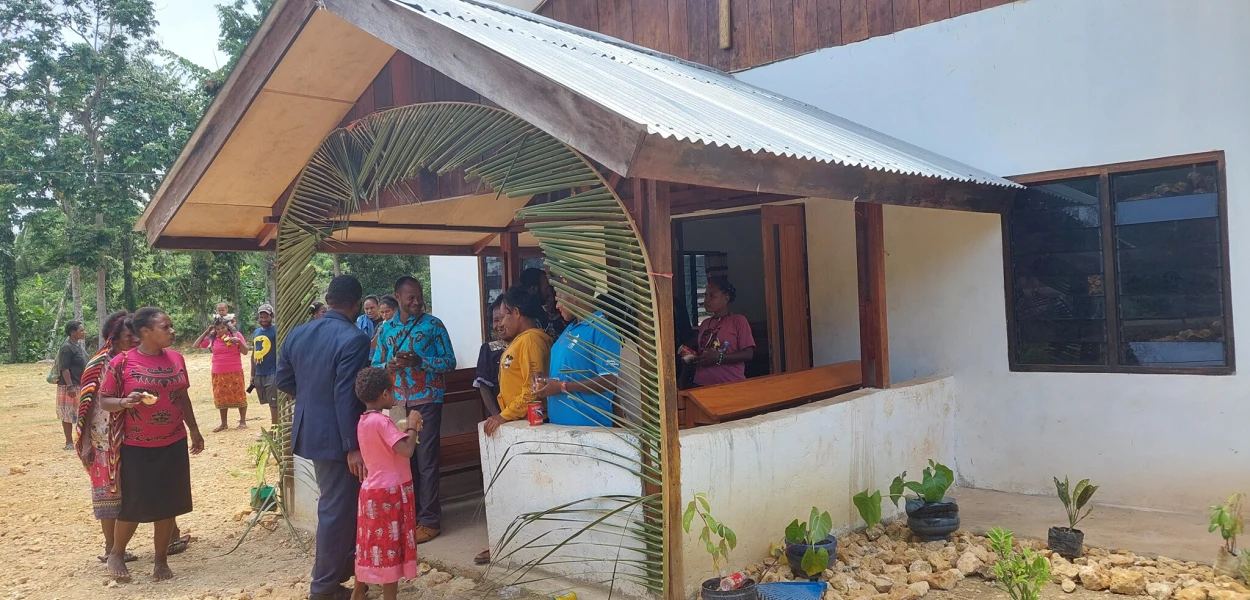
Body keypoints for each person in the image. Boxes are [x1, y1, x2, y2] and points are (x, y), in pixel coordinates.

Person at [277, 275, 372, 600]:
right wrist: (353, 448)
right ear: (356, 303)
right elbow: (347, 395)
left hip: (311, 429)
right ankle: (325, 588)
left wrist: (311, 400)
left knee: (342, 506)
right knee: (335, 509)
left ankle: (344, 572)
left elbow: (283, 378)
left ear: (328, 299)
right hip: (339, 438)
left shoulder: (299, 333)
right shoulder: (354, 338)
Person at [99, 307, 204, 582]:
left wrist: (193, 430)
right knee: (134, 503)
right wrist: (124, 402)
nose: (172, 332)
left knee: (169, 502)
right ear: (145, 332)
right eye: (166, 327)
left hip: (173, 441)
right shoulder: (122, 362)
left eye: (171, 327)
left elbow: (182, 397)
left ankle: (160, 561)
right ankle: (117, 553)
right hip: (136, 445)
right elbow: (104, 400)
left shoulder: (177, 359)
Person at [371, 276, 456, 544]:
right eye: (411, 298)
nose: (417, 302)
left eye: (419, 296)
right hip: (397, 403)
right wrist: (389, 367)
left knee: (426, 460)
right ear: (398, 297)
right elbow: (375, 365)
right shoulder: (385, 330)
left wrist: (422, 361)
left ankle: (430, 520)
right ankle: (410, 517)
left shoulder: (434, 326)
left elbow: (450, 362)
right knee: (403, 461)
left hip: (427, 399)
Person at [351, 367, 421, 600]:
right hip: (390, 493)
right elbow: (407, 450)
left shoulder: (363, 421)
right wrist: (412, 424)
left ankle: (359, 591)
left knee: (370, 544)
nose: (395, 396)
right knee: (389, 547)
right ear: (383, 394)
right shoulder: (382, 422)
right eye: (393, 392)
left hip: (371, 491)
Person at [534, 278, 621, 427]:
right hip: (560, 429)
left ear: (575, 296)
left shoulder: (601, 329)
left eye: (560, 298)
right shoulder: (569, 330)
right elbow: (567, 375)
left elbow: (609, 381)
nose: (557, 305)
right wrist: (545, 381)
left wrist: (563, 386)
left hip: (589, 430)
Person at [483, 286, 551, 437]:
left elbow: (533, 390)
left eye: (503, 317)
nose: (500, 324)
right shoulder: (521, 340)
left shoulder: (531, 340)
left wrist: (503, 416)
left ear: (516, 313)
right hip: (521, 422)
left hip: (532, 423)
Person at [691, 277, 755, 387]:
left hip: (730, 384)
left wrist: (720, 357)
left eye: (712, 295)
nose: (706, 300)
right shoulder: (705, 324)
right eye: (705, 295)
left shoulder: (738, 321)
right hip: (701, 384)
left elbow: (748, 354)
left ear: (726, 298)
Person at [196, 316, 251, 432]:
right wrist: (207, 331)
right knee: (221, 396)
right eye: (218, 329)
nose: (220, 331)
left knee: (239, 394)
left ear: (228, 327)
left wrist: (239, 342)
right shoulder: (213, 338)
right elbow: (195, 345)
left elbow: (245, 352)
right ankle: (224, 423)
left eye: (223, 328)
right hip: (218, 371)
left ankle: (242, 421)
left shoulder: (236, 336)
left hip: (235, 370)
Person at [472, 296, 507, 419]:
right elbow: (484, 386)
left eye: (503, 318)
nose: (499, 325)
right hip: (500, 415)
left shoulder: (525, 344)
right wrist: (497, 416)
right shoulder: (488, 349)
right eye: (495, 320)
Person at [56, 321, 89, 450]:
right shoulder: (67, 347)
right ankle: (69, 442)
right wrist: (69, 386)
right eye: (81, 330)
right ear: (72, 333)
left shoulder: (77, 346)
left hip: (79, 384)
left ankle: (80, 439)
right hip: (69, 385)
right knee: (68, 413)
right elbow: (64, 368)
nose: (84, 332)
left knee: (80, 412)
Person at [250, 304, 279, 425]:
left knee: (274, 403)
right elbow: (254, 353)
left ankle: (274, 430)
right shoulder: (256, 332)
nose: (263, 319)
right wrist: (252, 374)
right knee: (268, 402)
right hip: (260, 372)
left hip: (273, 371)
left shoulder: (276, 331)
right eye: (261, 317)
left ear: (271, 316)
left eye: (266, 317)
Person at [519, 267, 564, 339]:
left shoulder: (554, 307)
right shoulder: (526, 316)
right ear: (534, 289)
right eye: (547, 288)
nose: (550, 291)